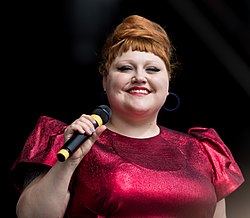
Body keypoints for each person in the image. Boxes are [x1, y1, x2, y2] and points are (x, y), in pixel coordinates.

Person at [10, 14, 244, 218]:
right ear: (105, 80)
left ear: (168, 81)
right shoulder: (69, 140)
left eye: (152, 69)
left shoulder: (203, 151)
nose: (139, 77)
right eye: (125, 68)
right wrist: (69, 163)